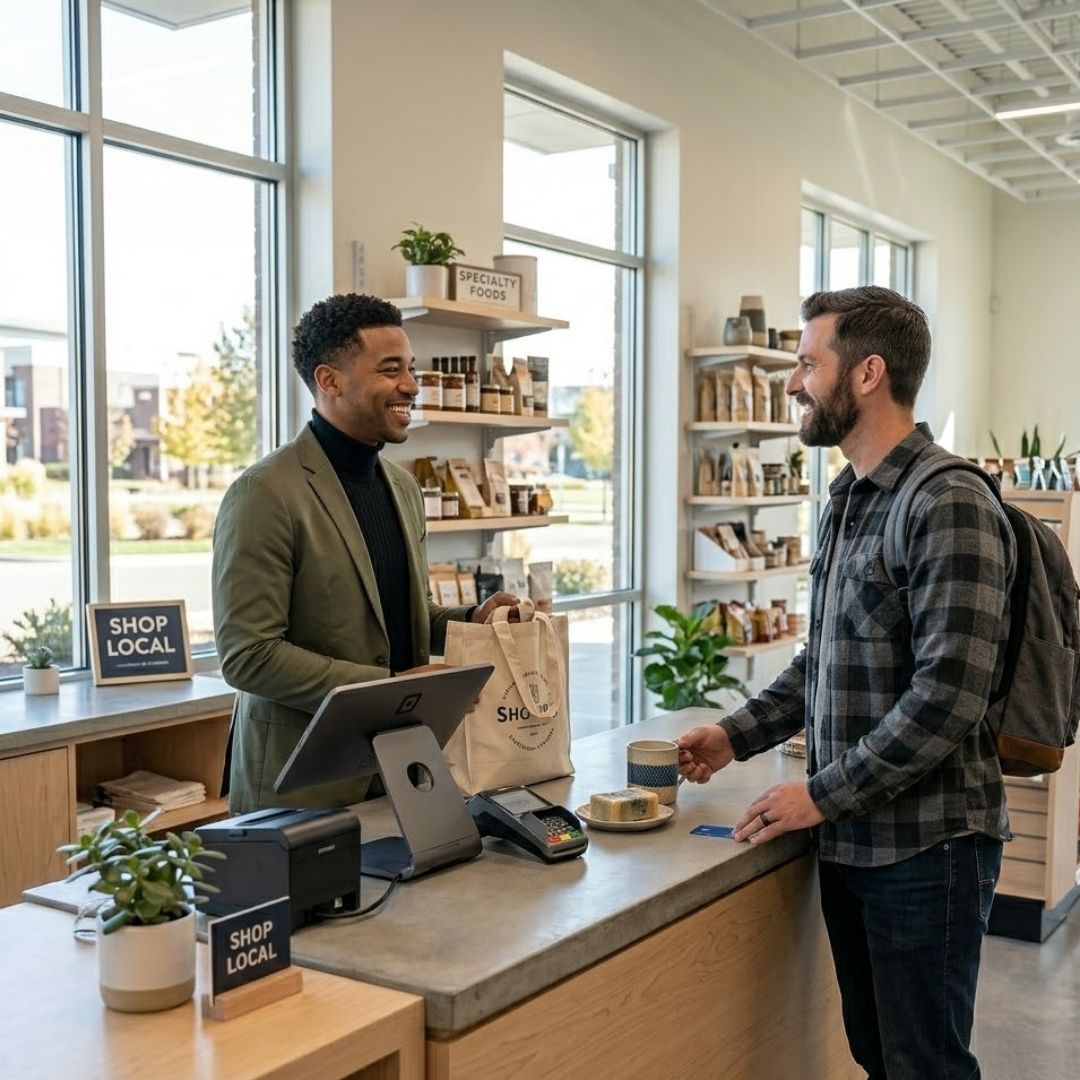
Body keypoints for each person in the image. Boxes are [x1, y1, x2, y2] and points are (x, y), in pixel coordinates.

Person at [677, 286, 1014, 1080]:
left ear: (867, 374)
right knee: (875, 1056)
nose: (793, 382)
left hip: (928, 849)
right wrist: (735, 734)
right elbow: (823, 661)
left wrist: (820, 795)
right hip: (857, 845)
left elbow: (948, 698)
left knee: (924, 1065)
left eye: (806, 363)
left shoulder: (948, 501)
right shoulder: (848, 501)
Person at [212, 293, 518, 813]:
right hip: (301, 783)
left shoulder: (401, 487)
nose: (412, 386)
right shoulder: (265, 492)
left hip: (400, 767)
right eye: (391, 369)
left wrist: (472, 620)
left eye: (412, 369)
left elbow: (399, 613)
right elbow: (249, 655)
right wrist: (392, 688)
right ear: (329, 380)